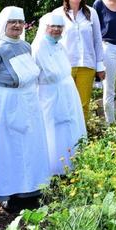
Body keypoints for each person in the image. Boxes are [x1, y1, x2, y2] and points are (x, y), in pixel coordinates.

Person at [0, 6, 50, 212]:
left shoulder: (26, 47)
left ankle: (31, 189)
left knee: (29, 145)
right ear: (4, 25)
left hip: (27, 102)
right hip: (5, 104)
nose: (17, 26)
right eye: (12, 22)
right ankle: (8, 193)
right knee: (8, 148)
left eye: (20, 22)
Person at [31, 13, 86, 175]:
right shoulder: (38, 47)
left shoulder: (60, 46)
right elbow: (43, 75)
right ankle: (55, 169)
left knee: (70, 126)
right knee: (54, 130)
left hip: (67, 92)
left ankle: (73, 162)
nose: (56, 30)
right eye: (52, 26)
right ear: (45, 27)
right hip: (49, 95)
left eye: (59, 27)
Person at [52, 0, 105, 121]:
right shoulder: (57, 14)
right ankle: (66, 140)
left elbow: (97, 40)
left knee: (83, 105)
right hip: (65, 66)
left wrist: (100, 65)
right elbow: (52, 42)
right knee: (66, 105)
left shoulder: (91, 13)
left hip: (87, 65)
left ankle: (82, 140)